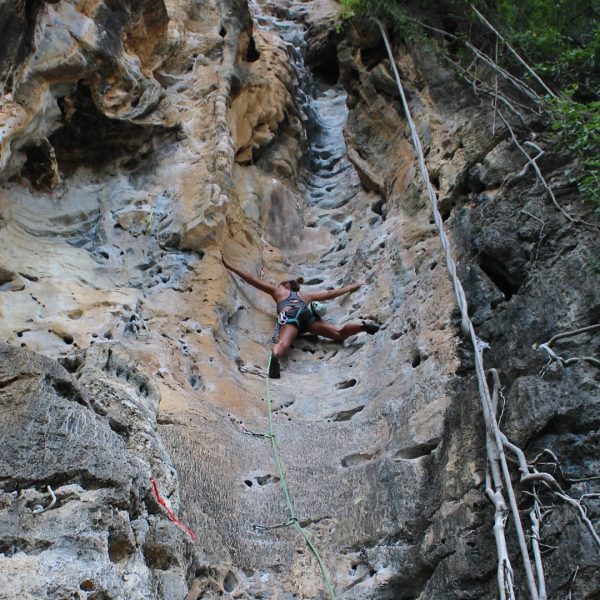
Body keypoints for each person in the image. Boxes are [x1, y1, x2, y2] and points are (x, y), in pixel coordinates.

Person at [222, 256, 379, 378]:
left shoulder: (279, 292)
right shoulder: (305, 295)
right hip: (306, 315)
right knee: (338, 333)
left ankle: (275, 357)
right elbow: (329, 294)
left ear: (285, 286)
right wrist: (351, 287)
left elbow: (252, 280)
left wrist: (230, 266)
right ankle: (362, 326)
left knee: (283, 342)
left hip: (290, 316)